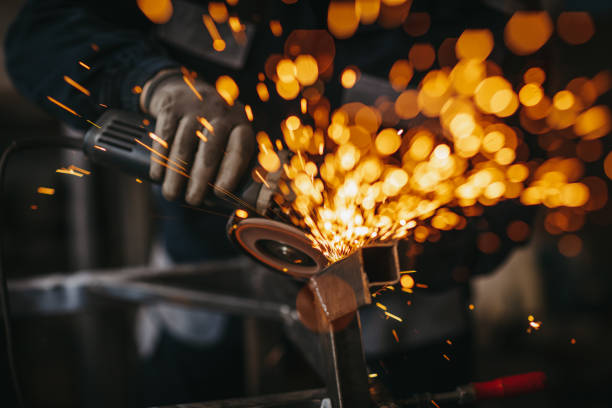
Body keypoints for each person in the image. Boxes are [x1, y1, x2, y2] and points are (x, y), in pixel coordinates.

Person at [5, 0, 536, 405]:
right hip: (205, 304)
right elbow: (40, 33)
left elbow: (518, 198)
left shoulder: (469, 24)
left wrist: (409, 246)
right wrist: (156, 82)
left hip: (403, 332)